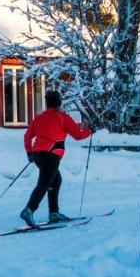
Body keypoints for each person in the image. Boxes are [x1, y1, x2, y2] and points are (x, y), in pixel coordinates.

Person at [20, 89, 92, 228]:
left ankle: (54, 213)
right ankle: (29, 210)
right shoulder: (63, 117)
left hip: (37, 155)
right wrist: (89, 130)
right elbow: (78, 135)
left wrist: (29, 153)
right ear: (59, 104)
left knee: (55, 180)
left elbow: (28, 136)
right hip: (51, 155)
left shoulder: (39, 118)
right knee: (44, 183)